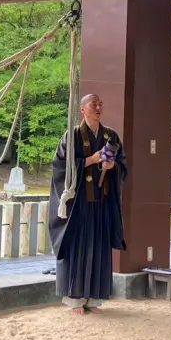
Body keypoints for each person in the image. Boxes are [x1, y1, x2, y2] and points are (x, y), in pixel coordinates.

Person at [48, 94, 127, 315]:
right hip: (79, 204)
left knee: (98, 249)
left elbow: (123, 163)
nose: (99, 107)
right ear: (83, 109)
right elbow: (59, 166)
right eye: (94, 104)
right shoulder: (71, 136)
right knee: (78, 249)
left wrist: (113, 166)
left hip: (101, 202)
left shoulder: (111, 135)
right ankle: (75, 299)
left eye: (101, 104)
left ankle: (94, 299)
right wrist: (90, 160)